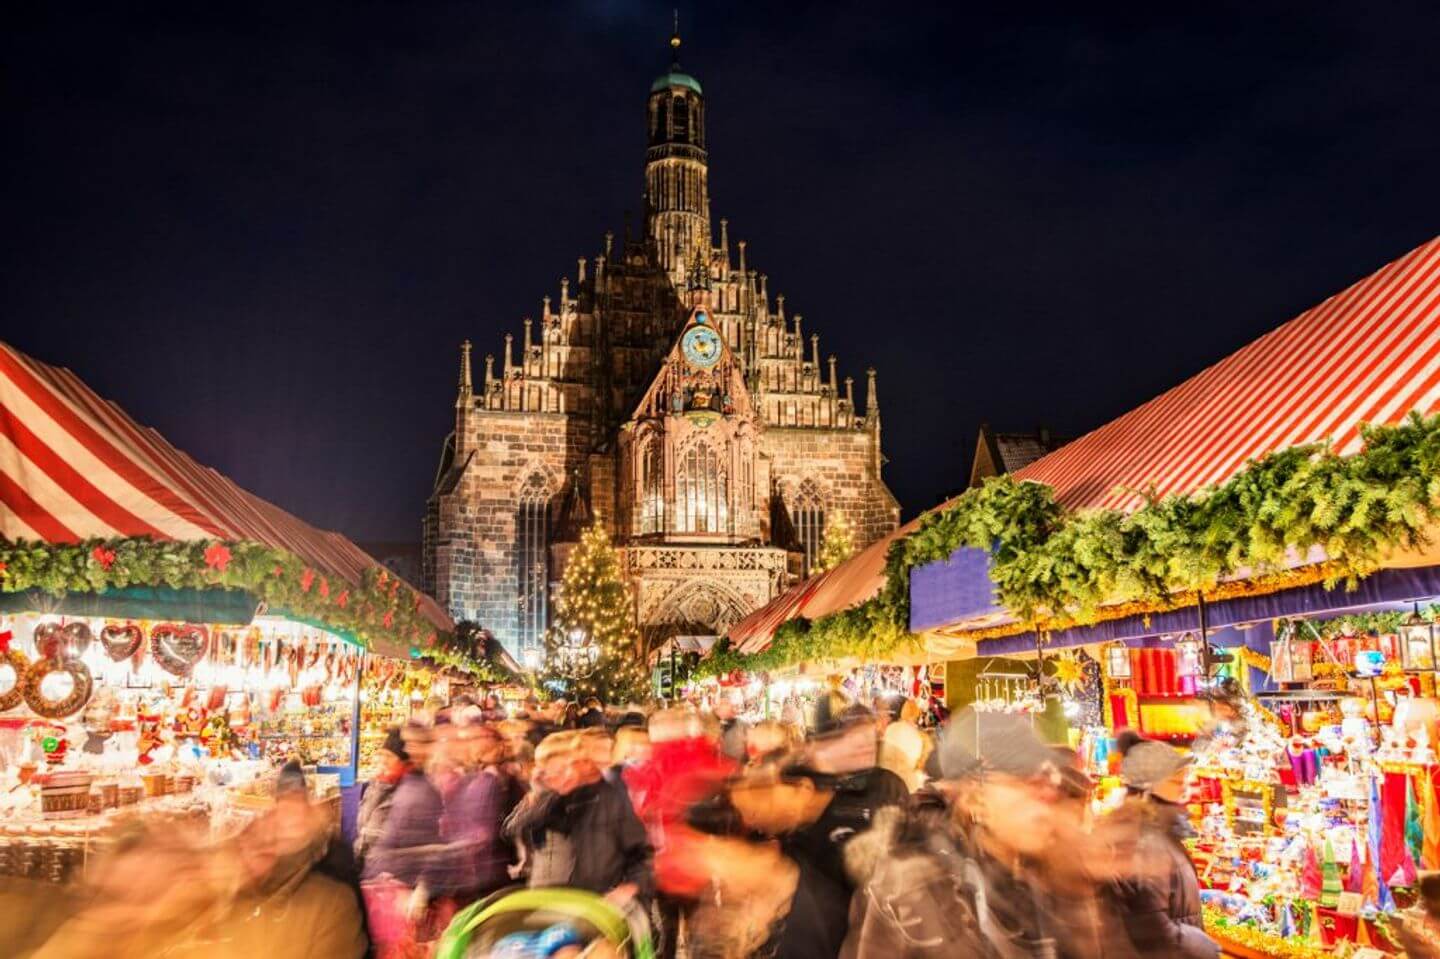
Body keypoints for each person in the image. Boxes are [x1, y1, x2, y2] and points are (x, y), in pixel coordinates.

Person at [842, 708, 1107, 959]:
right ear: (977, 798)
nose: (1044, 797)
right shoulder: (909, 890)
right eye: (1025, 782)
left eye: (1047, 780)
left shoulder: (1061, 883)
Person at [1101, 732, 1218, 959]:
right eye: (1176, 780)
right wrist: (1200, 945)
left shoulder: (1160, 832)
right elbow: (1149, 926)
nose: (1185, 785)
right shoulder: (1145, 840)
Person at [503, 730, 653, 903]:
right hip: (547, 899)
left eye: (562, 768)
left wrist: (630, 888)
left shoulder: (611, 798)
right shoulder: (552, 800)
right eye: (550, 770)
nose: (556, 776)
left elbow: (641, 854)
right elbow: (513, 829)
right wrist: (539, 793)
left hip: (596, 904)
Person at [785, 705, 908, 898]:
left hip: (877, 901)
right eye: (856, 740)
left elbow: (907, 845)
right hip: (827, 901)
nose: (866, 747)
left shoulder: (888, 785)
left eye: (870, 738)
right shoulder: (814, 788)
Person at [879, 700, 931, 792]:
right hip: (906, 785)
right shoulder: (918, 736)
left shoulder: (891, 728)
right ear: (917, 714)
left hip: (886, 782)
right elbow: (919, 765)